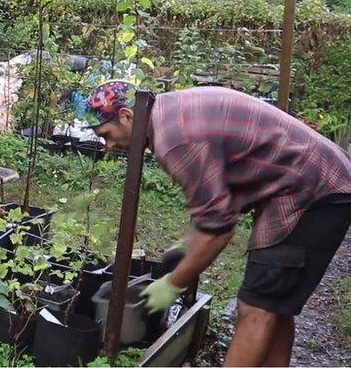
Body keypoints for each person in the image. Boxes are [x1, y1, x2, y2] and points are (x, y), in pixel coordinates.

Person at [83, 80, 351, 367]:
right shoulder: (170, 111)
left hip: (311, 191)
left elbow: (218, 232)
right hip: (314, 179)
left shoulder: (173, 140)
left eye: (106, 134)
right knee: (275, 305)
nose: (108, 146)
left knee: (255, 308)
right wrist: (186, 246)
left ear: (126, 116)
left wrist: (173, 283)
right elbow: (214, 201)